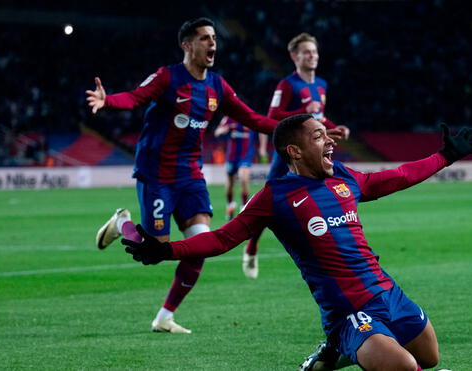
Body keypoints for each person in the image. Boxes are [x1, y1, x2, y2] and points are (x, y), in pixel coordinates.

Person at [122, 114, 472, 369]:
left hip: (388, 292)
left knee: (430, 358)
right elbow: (222, 238)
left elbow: (396, 176)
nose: (330, 141)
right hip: (347, 312)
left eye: (327, 135)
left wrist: (445, 156)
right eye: (319, 136)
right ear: (294, 151)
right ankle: (342, 341)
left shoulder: (342, 175)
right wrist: (165, 250)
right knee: (404, 367)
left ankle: (336, 355)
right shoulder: (274, 196)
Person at [85, 17, 285, 334]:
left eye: (214, 38)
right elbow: (136, 97)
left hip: (190, 176)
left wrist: (300, 126)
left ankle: (164, 316)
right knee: (153, 251)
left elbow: (253, 119)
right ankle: (121, 223)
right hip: (157, 175)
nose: (213, 44)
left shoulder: (217, 86)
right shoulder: (168, 77)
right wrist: (107, 100)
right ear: (187, 45)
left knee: (201, 246)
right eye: (205, 38)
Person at [245, 32, 350, 278]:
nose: (311, 56)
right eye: (306, 52)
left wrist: (335, 126)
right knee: (267, 200)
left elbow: (318, 117)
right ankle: (251, 247)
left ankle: (327, 247)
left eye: (314, 51)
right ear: (294, 56)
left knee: (327, 194)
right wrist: (303, 109)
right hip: (289, 154)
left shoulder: (321, 84)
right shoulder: (287, 85)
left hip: (313, 154)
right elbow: (272, 116)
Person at [213, 115, 260, 279]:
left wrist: (261, 150)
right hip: (231, 156)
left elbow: (261, 128)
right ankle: (230, 204)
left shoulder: (249, 118)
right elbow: (217, 132)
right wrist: (223, 130)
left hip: (245, 157)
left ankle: (243, 206)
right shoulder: (228, 119)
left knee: (245, 177)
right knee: (230, 185)